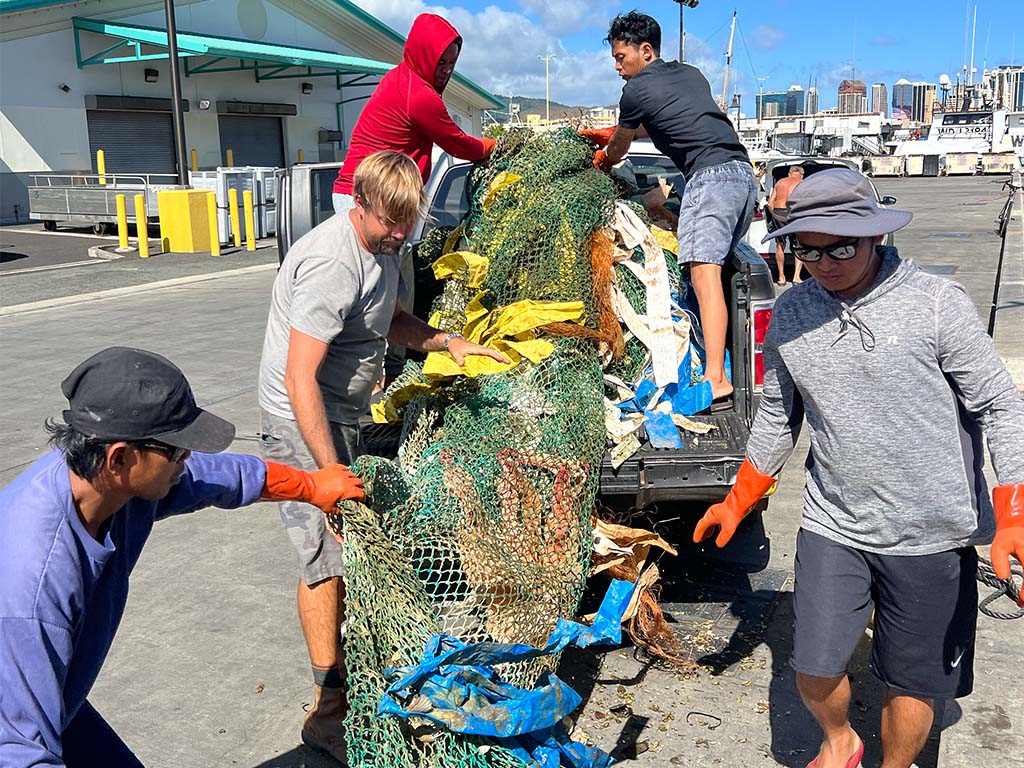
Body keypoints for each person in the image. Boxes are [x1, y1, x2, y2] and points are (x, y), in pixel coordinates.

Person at [692, 168, 1024, 768]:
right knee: (813, 668)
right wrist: (738, 498)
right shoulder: (792, 314)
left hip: (931, 531)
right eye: (806, 249)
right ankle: (841, 739)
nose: (824, 263)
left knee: (912, 680)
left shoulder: (937, 305)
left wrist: (1012, 514)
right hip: (833, 518)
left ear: (875, 236)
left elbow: (1000, 404)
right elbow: (776, 415)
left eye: (840, 247)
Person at [0, 347, 365, 767]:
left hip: (54, 697)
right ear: (121, 456)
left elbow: (224, 476)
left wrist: (312, 486)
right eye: (176, 449)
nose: (187, 458)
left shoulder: (111, 482)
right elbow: (20, 753)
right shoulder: (33, 585)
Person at [258, 149, 508, 761]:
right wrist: (325, 474)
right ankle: (327, 711)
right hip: (300, 418)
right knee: (324, 557)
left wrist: (448, 342)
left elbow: (390, 319)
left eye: (408, 220)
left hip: (343, 412)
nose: (400, 232)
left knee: (358, 548)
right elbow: (299, 381)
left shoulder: (387, 251)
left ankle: (363, 678)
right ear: (360, 204)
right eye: (389, 221)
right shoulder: (330, 264)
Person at [590, 11, 757, 405]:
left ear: (645, 51)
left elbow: (620, 148)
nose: (617, 67)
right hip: (743, 176)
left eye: (620, 57)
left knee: (704, 275)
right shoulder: (690, 74)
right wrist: (617, 129)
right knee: (714, 273)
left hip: (710, 177)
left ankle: (716, 378)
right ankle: (713, 361)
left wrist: (603, 159)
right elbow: (669, 118)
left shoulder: (635, 91)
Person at [331, 12, 495, 217]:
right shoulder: (419, 95)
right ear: (424, 55)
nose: (447, 70)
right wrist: (494, 147)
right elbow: (458, 145)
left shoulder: (400, 77)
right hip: (368, 198)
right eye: (441, 63)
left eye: (452, 63)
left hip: (360, 192)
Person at [767, 164, 805, 285]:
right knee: (799, 246)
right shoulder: (803, 183)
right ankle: (796, 277)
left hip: (779, 213)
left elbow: (769, 203)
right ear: (801, 174)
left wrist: (774, 215)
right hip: (794, 214)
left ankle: (781, 277)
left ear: (790, 173)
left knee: (780, 245)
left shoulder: (780, 182)